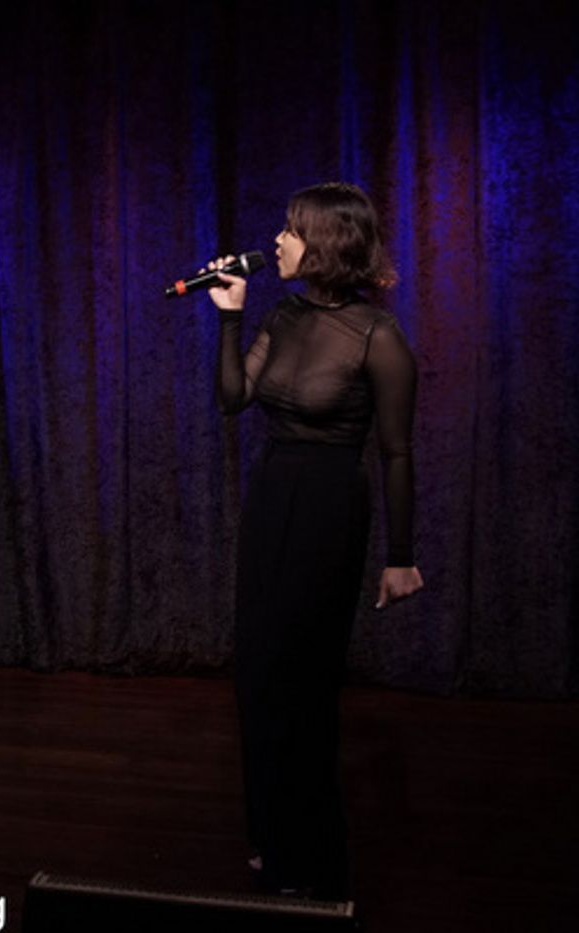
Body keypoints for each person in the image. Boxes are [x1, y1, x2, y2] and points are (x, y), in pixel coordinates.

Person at [206, 182, 424, 899]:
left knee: (303, 683)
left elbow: (396, 453)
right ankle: (270, 835)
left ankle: (316, 854)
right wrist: (231, 319)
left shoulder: (378, 336)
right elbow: (235, 397)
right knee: (258, 674)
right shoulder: (285, 313)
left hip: (332, 506)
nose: (278, 242)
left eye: (292, 231)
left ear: (326, 244)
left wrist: (400, 557)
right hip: (274, 498)